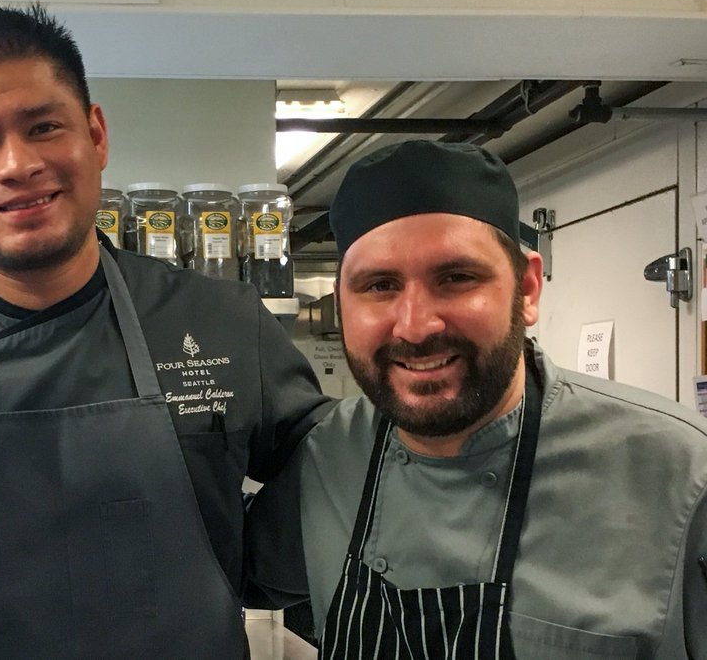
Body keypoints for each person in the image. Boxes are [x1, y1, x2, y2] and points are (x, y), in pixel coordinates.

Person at [0, 4, 333, 658]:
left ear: (96, 135)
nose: (16, 164)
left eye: (43, 127)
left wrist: (251, 563)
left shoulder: (220, 323)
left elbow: (337, 476)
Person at [243, 139, 707, 658]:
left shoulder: (682, 476)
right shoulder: (328, 456)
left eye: (457, 278)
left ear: (527, 289)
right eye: (379, 285)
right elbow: (222, 568)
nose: (416, 326)